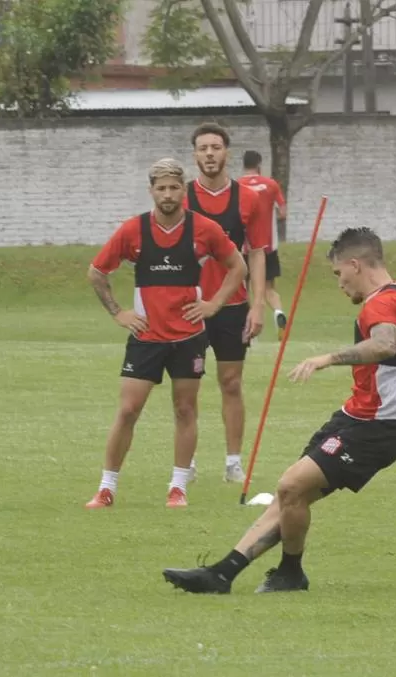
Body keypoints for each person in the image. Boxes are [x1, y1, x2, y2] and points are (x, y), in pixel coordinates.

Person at [162, 227, 396, 592]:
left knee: (290, 485)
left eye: (338, 274)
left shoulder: (382, 303)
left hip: (376, 427)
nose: (339, 283)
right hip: (355, 417)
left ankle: (288, 572)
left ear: (355, 264)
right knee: (291, 494)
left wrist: (327, 358)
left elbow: (385, 344)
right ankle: (223, 574)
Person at [85, 158, 248, 509]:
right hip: (145, 338)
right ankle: (106, 488)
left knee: (185, 409)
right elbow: (97, 272)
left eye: (175, 187)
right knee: (128, 410)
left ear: (184, 191)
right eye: (161, 188)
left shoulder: (204, 229)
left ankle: (178, 487)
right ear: (151, 192)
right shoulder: (133, 231)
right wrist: (118, 312)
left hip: (188, 338)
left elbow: (239, 266)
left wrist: (214, 305)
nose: (168, 194)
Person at [183, 123, 271, 485]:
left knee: (231, 383)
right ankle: (184, 465)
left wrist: (258, 305)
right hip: (189, 307)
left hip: (234, 307)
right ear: (195, 155)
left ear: (227, 153)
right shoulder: (181, 197)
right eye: (202, 148)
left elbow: (259, 254)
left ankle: (233, 462)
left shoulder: (249, 199)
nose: (209, 154)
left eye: (215, 147)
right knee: (186, 386)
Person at [238, 150, 288, 341]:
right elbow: (282, 212)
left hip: (244, 246)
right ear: (259, 164)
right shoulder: (271, 184)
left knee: (244, 287)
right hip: (268, 246)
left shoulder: (237, 186)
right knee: (268, 288)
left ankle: (247, 328)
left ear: (243, 164)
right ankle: (278, 312)